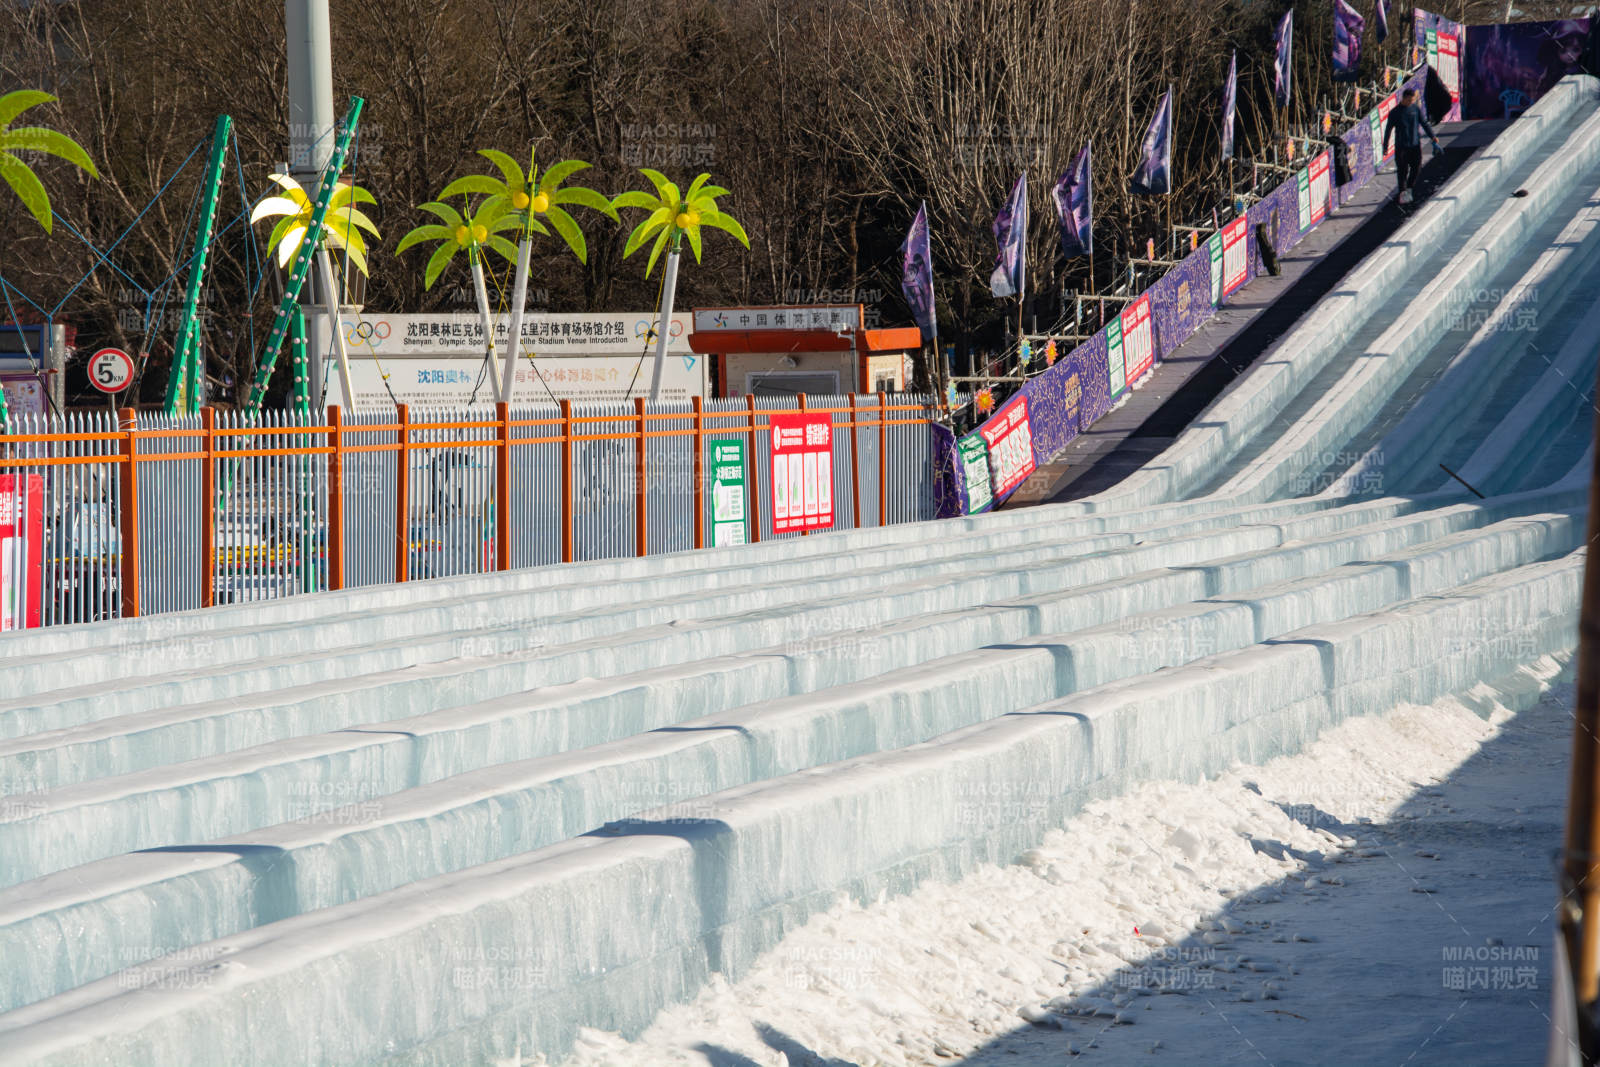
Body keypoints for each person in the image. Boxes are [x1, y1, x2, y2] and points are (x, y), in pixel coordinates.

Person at [1384, 87, 1442, 205]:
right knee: (1402, 170)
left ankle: (1409, 188)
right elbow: (1388, 130)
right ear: (1404, 99)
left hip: (1415, 145)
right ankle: (1402, 193)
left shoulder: (1415, 109)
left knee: (1417, 168)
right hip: (1401, 146)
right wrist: (1385, 146)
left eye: (1413, 100)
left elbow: (1424, 123)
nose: (1412, 102)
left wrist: (1432, 136)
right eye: (1410, 100)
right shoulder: (1395, 112)